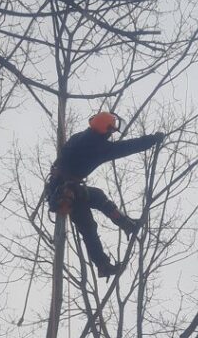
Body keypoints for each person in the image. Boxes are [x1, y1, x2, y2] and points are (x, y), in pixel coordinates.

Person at [46, 112, 164, 278]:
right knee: (88, 227)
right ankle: (104, 264)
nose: (111, 134)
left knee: (97, 197)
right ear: (106, 131)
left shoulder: (78, 137)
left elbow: (63, 160)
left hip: (61, 187)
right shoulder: (100, 148)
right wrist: (152, 139)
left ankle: (125, 225)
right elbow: (129, 146)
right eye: (111, 131)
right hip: (66, 192)